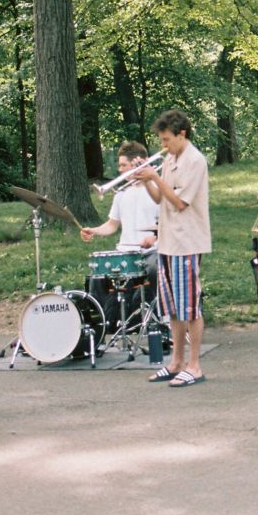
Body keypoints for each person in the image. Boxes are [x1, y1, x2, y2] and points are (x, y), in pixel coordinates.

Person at [134, 109, 211, 387]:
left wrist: (155, 178)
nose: (163, 145)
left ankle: (195, 365)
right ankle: (176, 362)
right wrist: (147, 181)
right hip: (168, 242)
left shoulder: (195, 160)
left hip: (187, 241)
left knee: (189, 306)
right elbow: (160, 199)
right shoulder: (170, 158)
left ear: (182, 134)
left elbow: (180, 202)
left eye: (167, 139)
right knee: (174, 308)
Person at [79, 141, 159, 331]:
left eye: (123, 165)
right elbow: (112, 225)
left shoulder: (157, 189)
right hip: (124, 251)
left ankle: (153, 321)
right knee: (97, 276)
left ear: (137, 163)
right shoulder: (121, 193)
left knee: (155, 270)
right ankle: (106, 323)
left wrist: (155, 238)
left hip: (150, 251)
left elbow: (168, 223)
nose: (120, 169)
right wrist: (94, 231)